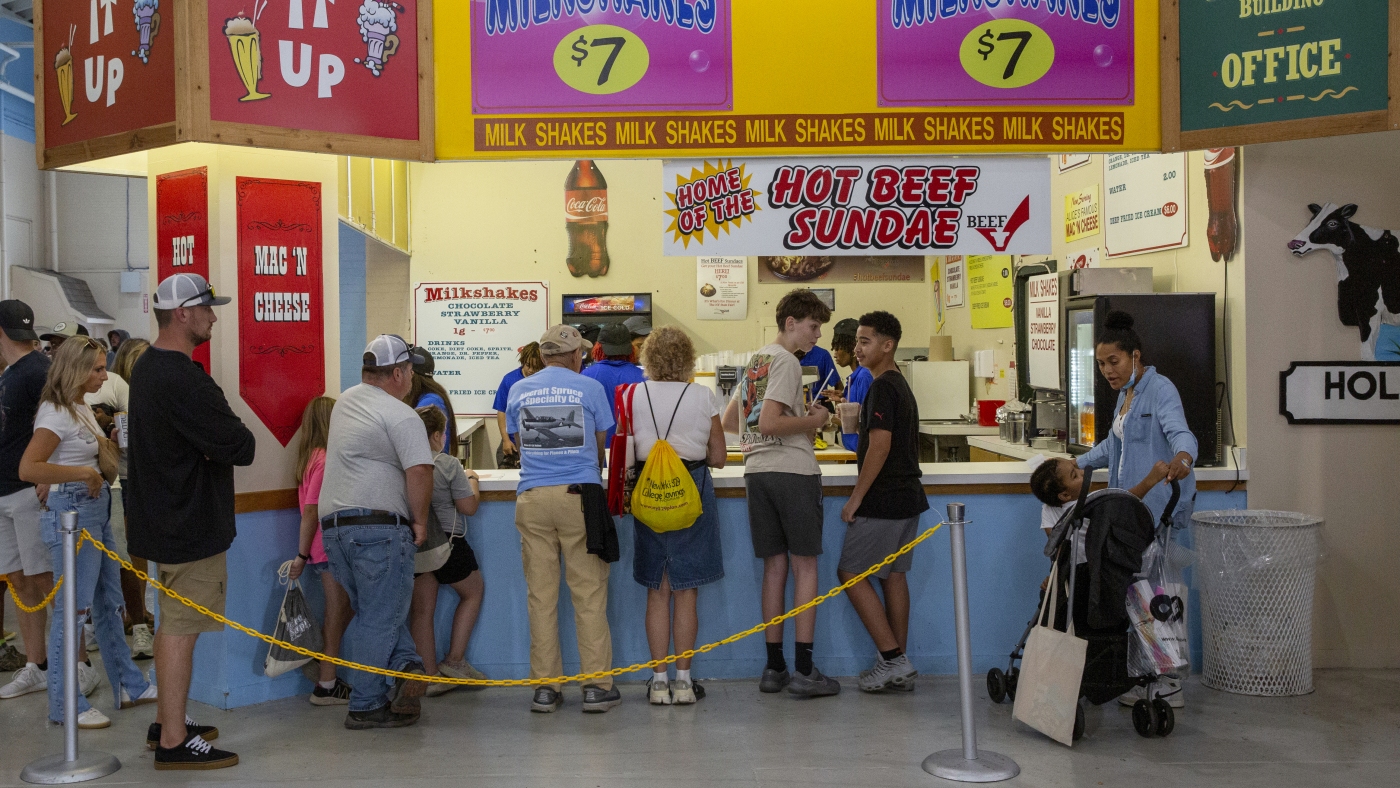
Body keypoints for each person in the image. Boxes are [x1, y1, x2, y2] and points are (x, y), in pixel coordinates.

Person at [127, 273, 252, 769]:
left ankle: (167, 721)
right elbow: (241, 444)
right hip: (189, 522)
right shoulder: (184, 378)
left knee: (171, 623)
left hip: (163, 518)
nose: (214, 318)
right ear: (182, 313)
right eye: (206, 308)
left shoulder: (146, 366)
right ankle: (174, 741)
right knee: (181, 626)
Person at [20, 336, 156, 729]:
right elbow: (29, 467)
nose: (104, 375)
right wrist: (82, 472)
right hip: (72, 514)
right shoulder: (55, 412)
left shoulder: (79, 406)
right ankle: (65, 703)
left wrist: (103, 448)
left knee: (109, 602)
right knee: (73, 611)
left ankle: (128, 683)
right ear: (76, 370)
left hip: (96, 509)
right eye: (97, 369)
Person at [1075, 310, 1197, 710]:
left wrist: (1183, 457)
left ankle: (1169, 682)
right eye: (1101, 364)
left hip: (1157, 509)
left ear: (1135, 356)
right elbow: (1113, 446)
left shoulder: (1160, 390)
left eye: (1114, 361)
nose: (1107, 371)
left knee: (1157, 594)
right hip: (1129, 509)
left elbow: (1180, 432)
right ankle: (1147, 675)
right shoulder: (1123, 396)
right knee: (1137, 595)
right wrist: (1076, 465)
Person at [722, 289, 839, 698]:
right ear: (791, 323)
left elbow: (730, 421)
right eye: (813, 326)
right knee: (805, 567)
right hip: (793, 472)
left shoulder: (757, 360)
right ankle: (805, 669)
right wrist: (814, 421)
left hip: (757, 472)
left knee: (775, 568)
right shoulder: (787, 361)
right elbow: (771, 423)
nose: (818, 335)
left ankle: (774, 667)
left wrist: (791, 418)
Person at [318, 334, 434, 730]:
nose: (413, 379)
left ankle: (406, 667)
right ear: (398, 373)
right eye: (411, 371)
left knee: (375, 611)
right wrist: (420, 521)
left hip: (335, 530)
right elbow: (420, 470)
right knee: (380, 619)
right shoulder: (402, 415)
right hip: (379, 529)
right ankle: (366, 705)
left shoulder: (344, 403)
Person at [506, 325, 620, 713]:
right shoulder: (589, 387)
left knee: (541, 597)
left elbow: (517, 442)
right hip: (579, 498)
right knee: (588, 594)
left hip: (533, 498)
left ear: (542, 356)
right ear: (575, 356)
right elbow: (602, 446)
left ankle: (545, 688)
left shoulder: (519, 389)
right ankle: (596, 687)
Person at [630, 326, 726, 706]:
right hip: (692, 493)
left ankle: (658, 683)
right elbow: (719, 457)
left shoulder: (633, 394)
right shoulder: (703, 396)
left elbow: (624, 451)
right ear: (689, 359)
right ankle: (684, 683)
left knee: (658, 591)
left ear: (648, 358)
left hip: (649, 493)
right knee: (687, 592)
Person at [836, 312, 927, 692]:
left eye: (865, 341)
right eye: (856, 341)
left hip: (885, 499)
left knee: (851, 573)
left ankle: (892, 658)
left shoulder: (882, 388)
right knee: (892, 576)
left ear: (888, 345)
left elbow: (880, 446)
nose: (857, 348)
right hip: (907, 498)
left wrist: (855, 499)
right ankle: (895, 664)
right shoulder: (898, 384)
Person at [407, 406, 487, 697]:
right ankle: (454, 660)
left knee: (421, 611)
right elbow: (468, 507)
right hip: (449, 542)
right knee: (473, 591)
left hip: (418, 545)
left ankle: (429, 677)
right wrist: (472, 480)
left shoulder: (403, 464)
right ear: (437, 436)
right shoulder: (448, 464)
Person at [0, 300, 55, 703]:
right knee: (19, 579)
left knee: (44, 578)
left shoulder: (38, 370)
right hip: (5, 490)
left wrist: (50, 473)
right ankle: (37, 664)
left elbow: (63, 421)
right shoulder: (11, 373)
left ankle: (77, 662)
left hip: (27, 490)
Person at [286, 397, 354, 706]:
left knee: (344, 607)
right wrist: (301, 556)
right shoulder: (326, 460)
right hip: (327, 546)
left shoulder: (310, 457)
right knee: (337, 610)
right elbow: (312, 510)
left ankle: (325, 661)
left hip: (320, 547)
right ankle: (326, 683)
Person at [109, 338, 154, 659]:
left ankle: (139, 611)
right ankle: (130, 612)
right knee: (125, 550)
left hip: (144, 477)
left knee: (139, 550)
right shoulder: (115, 394)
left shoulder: (150, 392)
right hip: (121, 478)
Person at [582, 323, 645, 444]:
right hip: (632, 449)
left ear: (598, 347)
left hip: (598, 448)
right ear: (630, 349)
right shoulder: (645, 378)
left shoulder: (585, 376)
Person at [825, 318, 871, 452]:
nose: (835, 354)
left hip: (861, 452)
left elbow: (864, 422)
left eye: (839, 348)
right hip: (852, 451)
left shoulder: (864, 377)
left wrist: (829, 419)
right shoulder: (853, 379)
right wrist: (843, 398)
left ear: (852, 348)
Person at [494, 343, 542, 468]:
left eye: (536, 367)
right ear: (522, 362)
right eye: (528, 365)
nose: (531, 370)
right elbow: (502, 411)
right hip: (513, 441)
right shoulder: (509, 379)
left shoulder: (544, 380)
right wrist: (506, 440)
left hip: (536, 442)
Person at [407, 347, 458, 454]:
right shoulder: (432, 397)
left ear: (412, 374)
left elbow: (413, 444)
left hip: (432, 463)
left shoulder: (430, 403)